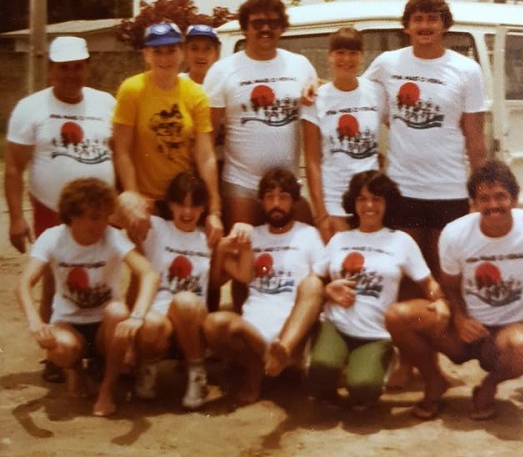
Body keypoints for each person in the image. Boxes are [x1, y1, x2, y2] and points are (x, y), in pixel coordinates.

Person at [384, 159, 523, 421]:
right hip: (461, 330)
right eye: (484, 198)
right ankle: (433, 381)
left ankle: (488, 386)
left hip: (504, 333)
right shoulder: (455, 234)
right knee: (398, 316)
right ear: (473, 204)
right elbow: (449, 287)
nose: (493, 205)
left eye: (501, 196)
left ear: (515, 199)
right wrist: (461, 318)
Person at [5, 35, 115, 381]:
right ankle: (57, 354)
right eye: (64, 68)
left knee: (102, 276)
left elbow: (120, 152)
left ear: (87, 67)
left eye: (78, 67)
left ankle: (99, 347)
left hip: (100, 210)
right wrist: (16, 218)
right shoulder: (30, 108)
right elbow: (12, 167)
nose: (71, 74)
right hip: (53, 207)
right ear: (51, 70)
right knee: (56, 277)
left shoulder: (105, 102)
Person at [363, 0, 487, 276]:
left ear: (445, 25)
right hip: (402, 189)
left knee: (446, 274)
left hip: (450, 188)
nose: (425, 26)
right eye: (418, 19)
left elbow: (475, 140)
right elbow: (353, 95)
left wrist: (478, 195)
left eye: (433, 19)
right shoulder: (388, 63)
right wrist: (315, 86)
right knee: (408, 274)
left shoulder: (467, 70)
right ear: (406, 26)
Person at [15, 178, 159, 417]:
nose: (102, 223)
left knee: (118, 313)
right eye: (94, 217)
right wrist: (34, 321)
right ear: (72, 216)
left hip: (104, 326)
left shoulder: (112, 237)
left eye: (105, 216)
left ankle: (106, 391)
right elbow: (23, 283)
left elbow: (148, 274)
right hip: (69, 323)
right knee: (60, 348)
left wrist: (137, 316)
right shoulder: (53, 238)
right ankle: (75, 372)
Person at [307, 170, 447, 409]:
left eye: (377, 199)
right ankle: (331, 376)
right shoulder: (340, 240)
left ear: (387, 203)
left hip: (374, 333)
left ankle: (376, 362)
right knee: (320, 372)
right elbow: (314, 280)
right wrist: (328, 290)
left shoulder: (401, 241)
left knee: (363, 389)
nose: (369, 205)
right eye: (361, 199)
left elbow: (429, 283)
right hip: (336, 324)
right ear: (353, 203)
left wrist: (440, 301)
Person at [204, 168, 324, 404]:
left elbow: (320, 284)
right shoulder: (252, 236)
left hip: (291, 333)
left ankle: (278, 359)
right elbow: (220, 279)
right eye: (269, 197)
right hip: (253, 333)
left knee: (314, 284)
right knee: (212, 324)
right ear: (261, 202)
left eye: (283, 197)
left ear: (295, 202)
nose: (276, 203)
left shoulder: (309, 235)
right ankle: (260, 366)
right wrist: (221, 249)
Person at [203, 0, 317, 228]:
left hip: (287, 187)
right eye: (257, 23)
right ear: (245, 28)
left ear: (282, 27)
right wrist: (213, 201)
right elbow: (206, 143)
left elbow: (324, 93)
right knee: (242, 254)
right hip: (241, 185)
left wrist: (320, 83)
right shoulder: (222, 71)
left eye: (273, 23)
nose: (266, 29)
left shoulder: (300, 65)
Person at [112, 22, 222, 247]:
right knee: (146, 272)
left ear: (181, 53)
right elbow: (121, 149)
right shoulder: (131, 90)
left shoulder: (195, 95)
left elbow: (206, 156)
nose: (165, 58)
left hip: (182, 201)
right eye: (157, 51)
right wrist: (133, 196)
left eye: (171, 50)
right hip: (146, 200)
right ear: (146, 55)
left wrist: (214, 210)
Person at [134, 171, 218, 410]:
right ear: (170, 205)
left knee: (184, 301)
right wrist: (139, 205)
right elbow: (118, 214)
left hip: (193, 318)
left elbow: (222, 277)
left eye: (195, 206)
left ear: (203, 209)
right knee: (149, 323)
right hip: (160, 319)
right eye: (180, 204)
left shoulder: (207, 239)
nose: (187, 212)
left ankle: (197, 374)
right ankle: (148, 368)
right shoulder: (157, 229)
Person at [302, 27, 387, 243]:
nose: (346, 59)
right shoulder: (316, 98)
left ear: (362, 56)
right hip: (334, 202)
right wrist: (321, 214)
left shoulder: (377, 92)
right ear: (329, 56)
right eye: (339, 52)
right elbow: (312, 161)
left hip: (371, 201)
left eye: (353, 53)